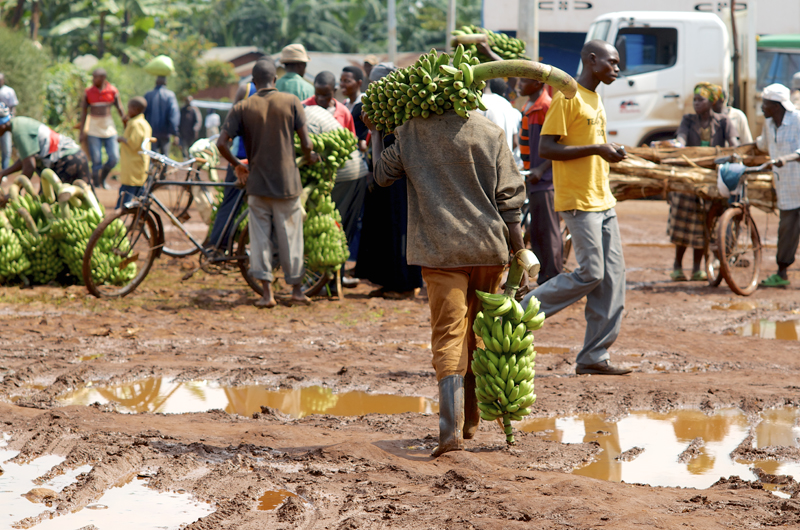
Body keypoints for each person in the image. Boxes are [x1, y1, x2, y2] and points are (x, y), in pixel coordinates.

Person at [365, 83, 526, 457]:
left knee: (450, 337)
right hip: (490, 249)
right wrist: (520, 252)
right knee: (479, 335)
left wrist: (376, 132)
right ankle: (470, 423)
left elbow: (381, 177)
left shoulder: (412, 133)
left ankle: (451, 433)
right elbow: (511, 200)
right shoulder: (490, 132)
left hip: (441, 253)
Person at [521, 40, 630, 376]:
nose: (617, 68)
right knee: (591, 273)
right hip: (579, 202)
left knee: (613, 281)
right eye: (612, 62)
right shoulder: (567, 97)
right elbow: (549, 148)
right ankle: (517, 313)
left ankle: (594, 355)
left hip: (603, 199)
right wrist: (598, 148)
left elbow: (586, 147)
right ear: (592, 60)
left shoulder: (596, 97)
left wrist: (604, 150)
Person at [217, 59, 318, 308]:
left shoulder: (243, 106)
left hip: (257, 183)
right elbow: (306, 143)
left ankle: (267, 294)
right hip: (287, 183)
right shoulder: (291, 102)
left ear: (253, 82)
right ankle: (296, 290)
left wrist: (238, 165)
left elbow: (221, 143)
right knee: (291, 236)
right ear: (275, 79)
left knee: (260, 238)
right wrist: (309, 157)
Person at [354, 63, 423, 300]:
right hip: (385, 179)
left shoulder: (403, 111)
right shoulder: (381, 109)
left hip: (401, 183)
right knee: (384, 231)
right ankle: (388, 281)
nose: (371, 88)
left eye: (375, 83)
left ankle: (404, 284)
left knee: (399, 230)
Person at [670, 83, 738, 281]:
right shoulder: (688, 120)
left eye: (701, 100)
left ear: (712, 102)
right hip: (688, 178)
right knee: (683, 223)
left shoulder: (724, 121)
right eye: (695, 100)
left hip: (712, 179)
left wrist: (736, 152)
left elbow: (735, 143)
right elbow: (681, 139)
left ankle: (697, 268)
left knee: (702, 225)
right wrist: (678, 146)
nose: (696, 103)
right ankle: (677, 266)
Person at [518, 76, 561, 285]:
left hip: (545, 180)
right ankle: (544, 277)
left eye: (523, 81)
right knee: (536, 231)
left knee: (548, 231)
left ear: (538, 84)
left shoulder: (546, 106)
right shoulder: (530, 105)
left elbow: (559, 143)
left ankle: (553, 277)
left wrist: (541, 169)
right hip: (533, 179)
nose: (519, 85)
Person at [757, 84, 800, 287]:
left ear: (776, 105)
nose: (762, 107)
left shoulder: (797, 120)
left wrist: (787, 158)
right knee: (786, 232)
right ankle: (781, 274)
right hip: (786, 189)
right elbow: (763, 145)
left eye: (765, 104)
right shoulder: (768, 124)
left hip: (797, 181)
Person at [206, 81, 257, 250]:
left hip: (240, 158)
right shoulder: (277, 95)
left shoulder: (246, 89)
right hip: (260, 160)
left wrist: (235, 163)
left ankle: (218, 246)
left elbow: (229, 124)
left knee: (230, 204)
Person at [0, 104, 90, 185]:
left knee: (50, 200)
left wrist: (15, 190)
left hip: (65, 160)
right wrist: (4, 172)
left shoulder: (19, 132)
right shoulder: (18, 124)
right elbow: (25, 158)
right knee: (88, 197)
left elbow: (30, 166)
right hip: (77, 155)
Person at [78, 68, 125, 189]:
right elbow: (83, 112)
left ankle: (102, 178)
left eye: (96, 77)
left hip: (108, 127)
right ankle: (97, 185)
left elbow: (120, 109)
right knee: (96, 160)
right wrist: (82, 131)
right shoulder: (88, 92)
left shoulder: (112, 91)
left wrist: (127, 127)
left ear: (103, 78)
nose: (93, 80)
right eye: (93, 77)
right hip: (94, 128)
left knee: (114, 158)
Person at [116, 97, 152, 208]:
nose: (127, 111)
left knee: (125, 196)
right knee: (140, 194)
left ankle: (117, 220)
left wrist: (121, 139)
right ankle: (141, 220)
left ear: (135, 109)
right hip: (139, 165)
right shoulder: (144, 123)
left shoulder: (136, 124)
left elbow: (133, 143)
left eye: (129, 108)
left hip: (133, 166)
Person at [477, 78, 521, 151]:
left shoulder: (479, 104)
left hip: (488, 160)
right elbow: (515, 142)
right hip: (506, 159)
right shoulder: (507, 104)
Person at [144, 76, 180, 156]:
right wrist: (175, 133)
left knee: (152, 156)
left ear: (156, 82)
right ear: (166, 83)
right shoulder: (170, 95)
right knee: (165, 158)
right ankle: (163, 169)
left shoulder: (148, 95)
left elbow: (142, 113)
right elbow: (173, 115)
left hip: (150, 132)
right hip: (165, 133)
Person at [0, 73, 18, 170]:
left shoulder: (9, 91)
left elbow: (13, 106)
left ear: (3, 80)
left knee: (6, 149)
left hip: (5, 122)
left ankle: (4, 170)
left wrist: (11, 119)